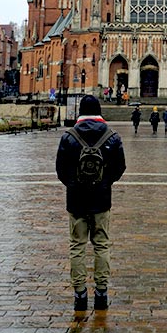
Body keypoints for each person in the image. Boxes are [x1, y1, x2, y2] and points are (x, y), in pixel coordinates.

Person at [56, 95, 126, 312]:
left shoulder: (68, 137)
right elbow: (119, 168)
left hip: (76, 200)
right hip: (101, 199)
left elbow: (61, 170)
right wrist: (104, 183)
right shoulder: (112, 136)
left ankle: (79, 294)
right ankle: (102, 293)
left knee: (77, 246)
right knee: (101, 244)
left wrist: (74, 185)